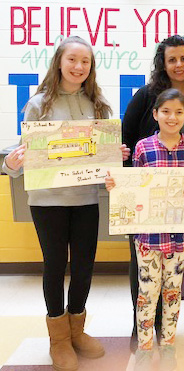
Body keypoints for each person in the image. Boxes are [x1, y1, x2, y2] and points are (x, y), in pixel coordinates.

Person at [2, 36, 129, 371]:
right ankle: (58, 338)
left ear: (91, 67)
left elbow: (101, 155)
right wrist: (10, 165)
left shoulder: (98, 104)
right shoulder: (38, 104)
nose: (78, 67)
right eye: (72, 60)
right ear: (59, 62)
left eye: (85, 62)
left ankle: (77, 331)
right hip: (47, 201)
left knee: (85, 264)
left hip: (86, 196)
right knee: (55, 264)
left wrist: (115, 156)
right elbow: (25, 156)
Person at [106, 88, 184, 371]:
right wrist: (117, 187)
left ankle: (168, 345)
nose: (172, 117)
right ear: (155, 114)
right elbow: (133, 186)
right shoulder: (143, 147)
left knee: (172, 291)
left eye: (179, 112)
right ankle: (144, 347)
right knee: (147, 292)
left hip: (180, 237)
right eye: (165, 111)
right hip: (148, 237)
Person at [121, 35, 184, 351]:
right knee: (143, 271)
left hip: (179, 207)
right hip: (145, 206)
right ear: (163, 63)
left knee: (172, 278)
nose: (179, 65)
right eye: (172, 59)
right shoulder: (146, 95)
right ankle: (141, 326)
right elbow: (127, 140)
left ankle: (165, 329)